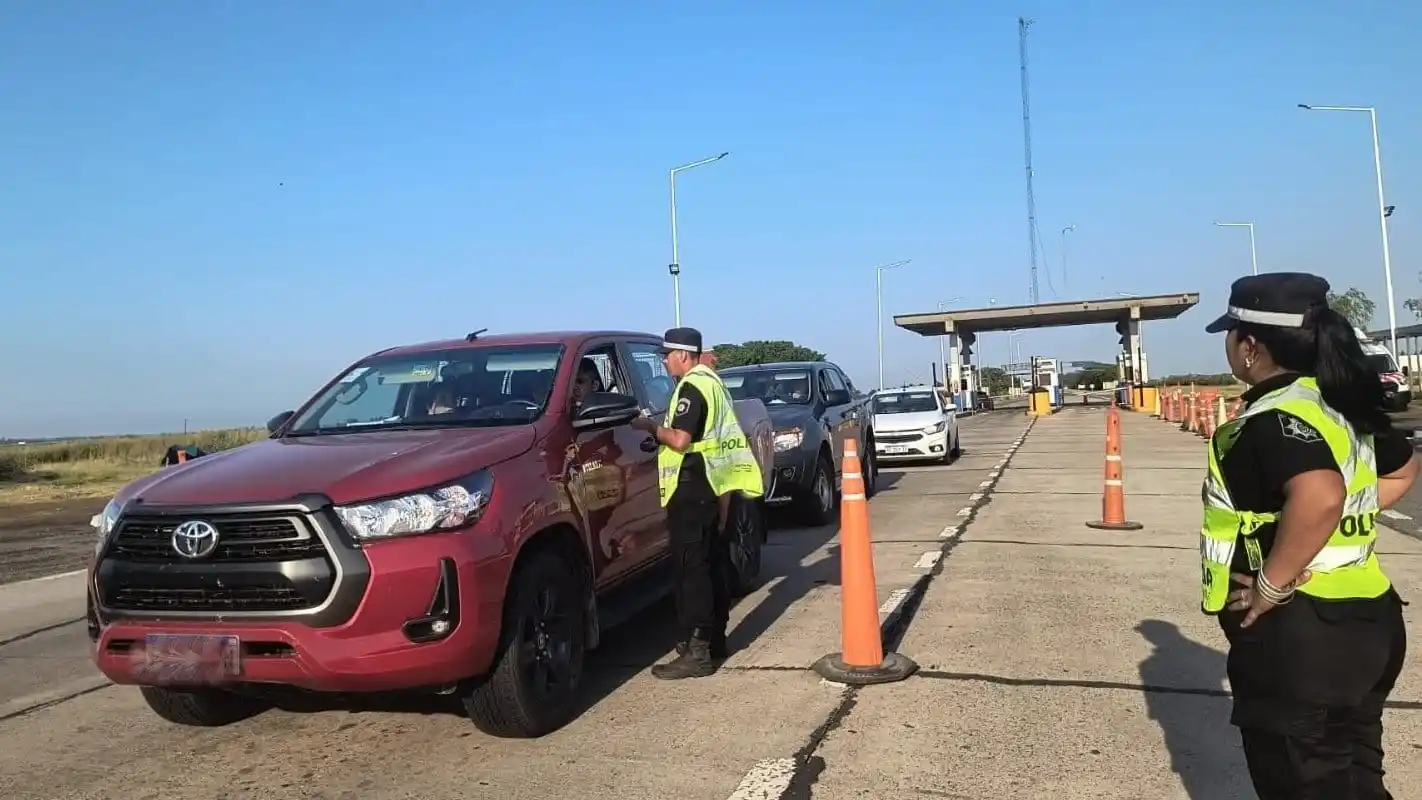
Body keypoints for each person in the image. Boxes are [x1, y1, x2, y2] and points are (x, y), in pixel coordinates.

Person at [1201, 272, 1416, 799]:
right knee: (1357, 780)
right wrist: (1328, 522)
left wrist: (1273, 581)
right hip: (1370, 624)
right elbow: (1400, 471)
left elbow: (1319, 496)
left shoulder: (1274, 418)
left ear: (1249, 346)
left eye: (1231, 334)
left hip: (1303, 638)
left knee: (1305, 785)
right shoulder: (1339, 405)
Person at [630, 327, 764, 679]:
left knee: (692, 572)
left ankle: (698, 651)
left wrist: (647, 426)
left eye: (667, 354)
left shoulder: (691, 387)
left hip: (691, 487)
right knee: (712, 563)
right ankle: (715, 639)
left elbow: (679, 439)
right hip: (713, 485)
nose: (663, 360)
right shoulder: (713, 382)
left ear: (684, 355)